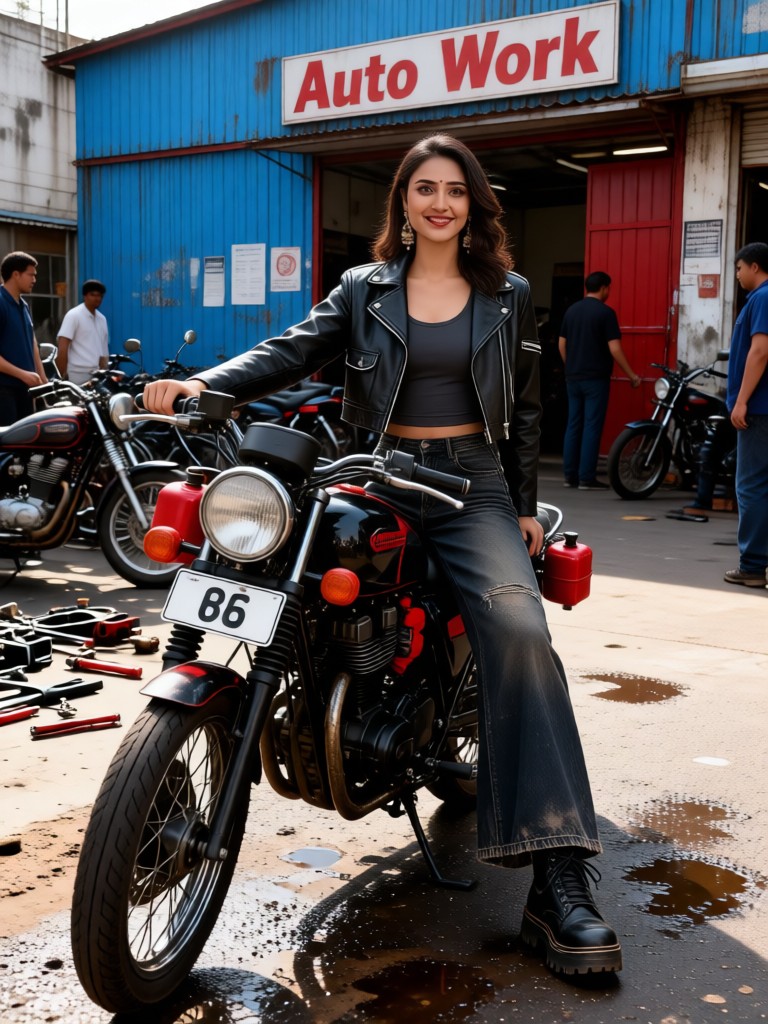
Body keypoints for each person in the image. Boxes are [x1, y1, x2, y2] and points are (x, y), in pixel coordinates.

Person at [143, 133, 622, 977]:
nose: (440, 203)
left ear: (474, 205)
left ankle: (558, 874)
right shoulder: (364, 289)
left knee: (519, 632)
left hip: (471, 482)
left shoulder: (507, 296)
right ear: (401, 201)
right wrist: (205, 385)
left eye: (456, 191)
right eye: (424, 189)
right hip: (375, 468)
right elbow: (287, 352)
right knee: (284, 581)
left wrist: (516, 507)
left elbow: (526, 411)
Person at [558, 271, 641, 489]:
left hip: (573, 377)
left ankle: (570, 476)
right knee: (592, 426)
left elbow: (561, 344)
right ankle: (586, 477)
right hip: (595, 379)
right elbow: (614, 348)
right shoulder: (606, 313)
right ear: (604, 288)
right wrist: (631, 374)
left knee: (573, 424)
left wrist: (571, 366)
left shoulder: (572, 311)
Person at [723, 242, 768, 588]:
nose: (737, 275)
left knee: (751, 486)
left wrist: (742, 401)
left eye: (739, 268)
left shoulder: (763, 297)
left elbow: (760, 351)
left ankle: (752, 565)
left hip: (759, 409)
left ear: (754, 266)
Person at [0, 251, 48, 425]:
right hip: (4, 390)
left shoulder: (24, 305)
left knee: (26, 447)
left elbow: (32, 342)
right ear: (16, 274)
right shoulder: (1, 302)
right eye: (31, 275)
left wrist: (42, 379)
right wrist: (22, 374)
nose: (35, 280)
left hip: (25, 390)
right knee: (7, 449)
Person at [56, 279, 109, 384]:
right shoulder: (74, 315)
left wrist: (104, 373)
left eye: (99, 296)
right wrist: (61, 376)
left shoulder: (102, 319)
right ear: (85, 296)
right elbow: (63, 346)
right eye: (92, 295)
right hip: (76, 374)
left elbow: (103, 352)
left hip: (96, 375)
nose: (96, 298)